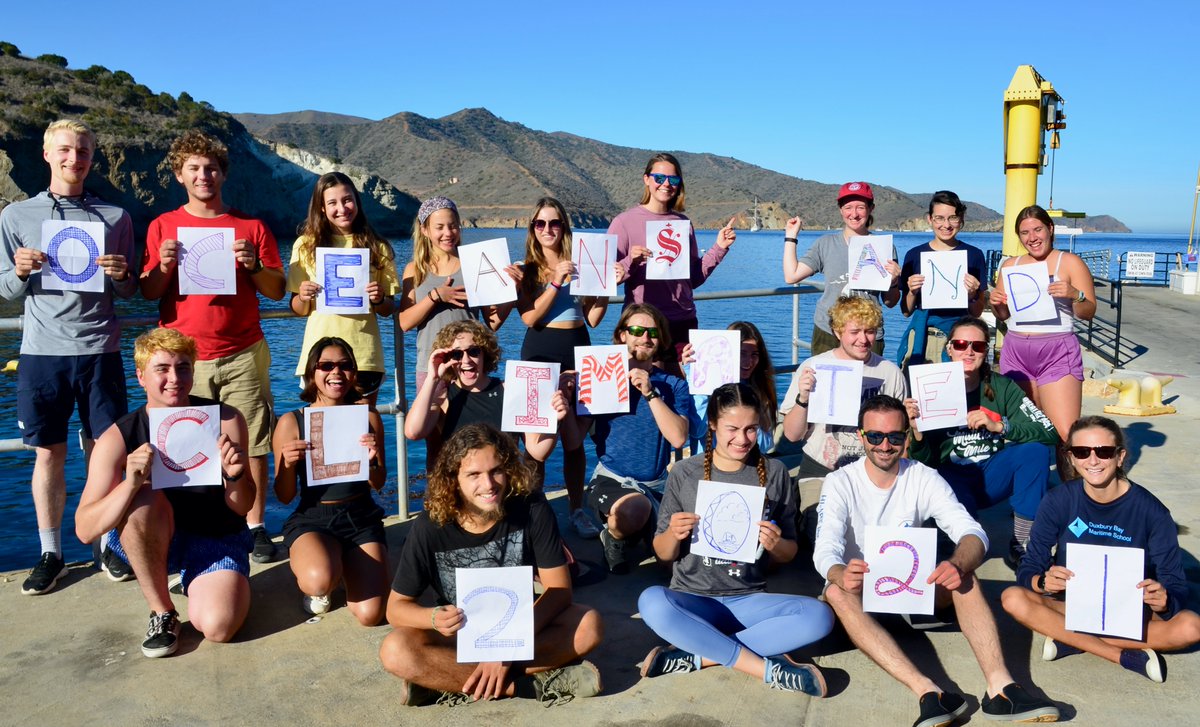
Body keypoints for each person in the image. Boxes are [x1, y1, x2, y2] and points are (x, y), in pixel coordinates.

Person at [814, 395, 1060, 725]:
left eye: (895, 437)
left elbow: (972, 533)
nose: (885, 445)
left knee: (963, 574)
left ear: (906, 436)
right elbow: (825, 547)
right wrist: (841, 572)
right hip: (861, 594)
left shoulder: (923, 476)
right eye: (875, 436)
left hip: (912, 591)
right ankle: (929, 692)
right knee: (833, 590)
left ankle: (1001, 689)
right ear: (861, 436)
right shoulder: (841, 482)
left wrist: (958, 563)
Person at [0, 119, 138, 594]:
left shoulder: (116, 218)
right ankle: (51, 551)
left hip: (102, 350)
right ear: (46, 154)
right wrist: (18, 272)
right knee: (48, 453)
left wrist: (122, 275)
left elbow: (130, 287)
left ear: (92, 158)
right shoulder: (16, 216)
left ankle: (106, 544)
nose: (73, 159)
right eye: (65, 150)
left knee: (107, 453)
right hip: (42, 352)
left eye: (82, 152)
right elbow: (4, 288)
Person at [379, 423, 604, 706]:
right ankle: (525, 685)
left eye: (496, 470)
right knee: (395, 650)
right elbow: (395, 609)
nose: (489, 485)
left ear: (509, 469)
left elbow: (559, 590)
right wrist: (434, 618)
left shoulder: (532, 509)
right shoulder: (430, 526)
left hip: (521, 624)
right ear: (453, 479)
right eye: (474, 474)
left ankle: (441, 681)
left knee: (589, 625)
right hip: (461, 633)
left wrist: (505, 649)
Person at [140, 130, 286, 565]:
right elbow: (149, 292)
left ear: (223, 173)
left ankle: (255, 526)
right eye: (194, 169)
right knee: (181, 445)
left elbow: (277, 290)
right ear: (179, 175)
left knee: (254, 443)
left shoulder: (251, 227)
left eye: (211, 168)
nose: (204, 176)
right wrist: (164, 266)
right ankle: (184, 527)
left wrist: (253, 266)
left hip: (243, 351)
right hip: (184, 359)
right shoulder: (163, 226)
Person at [637, 383, 833, 695]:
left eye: (752, 429)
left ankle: (699, 654)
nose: (742, 439)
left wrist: (776, 543)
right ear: (712, 424)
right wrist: (674, 534)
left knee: (819, 616)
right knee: (652, 601)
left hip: (749, 600)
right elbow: (663, 553)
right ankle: (767, 668)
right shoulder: (685, 472)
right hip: (693, 600)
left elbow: (788, 553)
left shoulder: (775, 471)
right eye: (732, 428)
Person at [75, 329, 255, 658]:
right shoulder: (117, 436)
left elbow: (242, 508)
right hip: (153, 532)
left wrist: (236, 475)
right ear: (141, 376)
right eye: (162, 369)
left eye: (183, 367)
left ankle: (204, 581)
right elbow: (85, 529)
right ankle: (162, 612)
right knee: (142, 497)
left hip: (214, 535)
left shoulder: (225, 419)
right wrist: (129, 482)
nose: (174, 378)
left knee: (219, 627)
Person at [1002, 416, 1200, 684]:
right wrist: (1041, 581)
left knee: (1191, 626)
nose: (1092, 461)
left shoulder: (1152, 512)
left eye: (1104, 452)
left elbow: (1175, 584)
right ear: (1070, 458)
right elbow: (1030, 566)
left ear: (1120, 457)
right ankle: (1121, 654)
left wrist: (1164, 600)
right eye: (1082, 452)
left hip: (1130, 611)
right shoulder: (1058, 501)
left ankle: (1070, 639)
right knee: (1012, 598)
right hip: (1071, 605)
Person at [905, 316, 1059, 571]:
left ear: (986, 351)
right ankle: (955, 538)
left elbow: (1049, 432)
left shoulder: (1002, 387)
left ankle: (1022, 542)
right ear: (949, 348)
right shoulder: (928, 385)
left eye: (977, 346)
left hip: (991, 474)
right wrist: (917, 432)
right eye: (961, 344)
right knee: (947, 489)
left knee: (1035, 452)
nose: (969, 351)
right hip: (950, 476)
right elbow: (923, 463)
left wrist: (1001, 426)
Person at [564, 303, 690, 574]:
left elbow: (678, 438)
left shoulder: (673, 385)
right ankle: (615, 535)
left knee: (671, 563)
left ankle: (638, 530)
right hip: (612, 479)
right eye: (636, 330)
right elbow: (574, 443)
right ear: (622, 335)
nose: (645, 338)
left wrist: (650, 393)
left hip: (656, 483)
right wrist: (565, 410)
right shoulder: (602, 378)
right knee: (634, 509)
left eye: (652, 333)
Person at [272, 337, 389, 625]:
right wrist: (287, 465)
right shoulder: (292, 422)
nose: (336, 373)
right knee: (319, 581)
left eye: (345, 365)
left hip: (360, 516)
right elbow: (285, 496)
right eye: (326, 366)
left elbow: (379, 483)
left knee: (371, 615)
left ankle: (342, 564)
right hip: (314, 517)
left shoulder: (369, 417)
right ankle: (323, 571)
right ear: (312, 372)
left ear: (354, 372)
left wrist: (372, 460)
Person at [516, 197, 609, 538]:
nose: (547, 230)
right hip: (539, 354)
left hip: (578, 351)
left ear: (565, 227)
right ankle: (531, 509)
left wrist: (606, 288)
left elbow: (594, 319)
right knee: (537, 442)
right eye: (540, 224)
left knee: (575, 441)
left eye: (554, 223)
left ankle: (576, 509)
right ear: (532, 229)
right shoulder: (525, 270)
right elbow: (529, 317)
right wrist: (555, 282)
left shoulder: (583, 263)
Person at [780, 297, 906, 542]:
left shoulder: (889, 372)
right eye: (854, 332)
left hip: (873, 470)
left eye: (870, 331)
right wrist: (803, 398)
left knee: (878, 536)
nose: (863, 339)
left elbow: (902, 439)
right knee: (821, 532)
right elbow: (792, 435)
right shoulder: (814, 366)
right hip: (821, 468)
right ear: (837, 332)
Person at [608, 152, 736, 369]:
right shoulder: (623, 223)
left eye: (673, 179)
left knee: (681, 393)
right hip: (643, 326)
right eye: (659, 178)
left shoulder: (683, 223)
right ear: (646, 179)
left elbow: (693, 278)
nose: (666, 184)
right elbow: (605, 280)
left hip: (683, 322)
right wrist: (631, 261)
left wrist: (719, 248)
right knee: (644, 391)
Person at [287, 172, 399, 406]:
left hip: (364, 355)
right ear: (322, 207)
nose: (342, 208)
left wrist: (378, 298)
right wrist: (304, 295)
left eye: (347, 200)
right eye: (332, 203)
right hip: (319, 357)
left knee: (364, 429)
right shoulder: (305, 246)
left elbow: (388, 309)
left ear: (357, 201)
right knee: (323, 429)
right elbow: (297, 308)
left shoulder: (378, 247)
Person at [989, 204, 1096, 443]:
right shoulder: (1010, 266)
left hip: (1056, 351)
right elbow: (1003, 315)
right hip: (1015, 351)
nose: (1032, 238)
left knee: (1064, 434)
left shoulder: (1069, 263)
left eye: (1037, 230)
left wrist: (1074, 295)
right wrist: (996, 302)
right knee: (1021, 431)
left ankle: (1070, 480)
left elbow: (1087, 312)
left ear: (1049, 228)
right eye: (1025, 233)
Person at [404, 319, 564, 468]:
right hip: (462, 489)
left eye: (473, 351)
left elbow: (538, 452)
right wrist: (432, 378)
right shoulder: (443, 400)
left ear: (485, 353)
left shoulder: (510, 391)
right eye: (457, 354)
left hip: (506, 485)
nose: (466, 360)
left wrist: (554, 420)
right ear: (448, 360)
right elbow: (413, 432)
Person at [398, 195, 514, 393]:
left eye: (453, 226)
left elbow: (493, 322)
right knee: (434, 424)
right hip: (432, 367)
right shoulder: (414, 270)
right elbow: (405, 322)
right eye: (439, 227)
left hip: (469, 366)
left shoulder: (475, 264)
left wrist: (513, 290)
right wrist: (435, 296)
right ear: (425, 230)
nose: (448, 233)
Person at [781, 181, 901, 356]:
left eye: (860, 207)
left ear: (871, 208)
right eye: (848, 207)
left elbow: (890, 302)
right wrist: (791, 237)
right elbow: (791, 276)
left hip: (867, 333)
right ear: (840, 210)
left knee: (867, 383)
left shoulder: (885, 248)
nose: (854, 213)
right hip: (828, 330)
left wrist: (894, 282)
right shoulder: (825, 244)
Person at [896, 191, 988, 368]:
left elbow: (976, 312)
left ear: (961, 219)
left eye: (952, 218)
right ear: (930, 219)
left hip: (959, 341)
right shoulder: (914, 255)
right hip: (923, 338)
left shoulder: (974, 255)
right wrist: (912, 292)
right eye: (939, 218)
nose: (946, 225)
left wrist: (973, 294)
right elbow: (906, 311)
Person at [681, 320, 777, 453]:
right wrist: (696, 376)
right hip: (708, 465)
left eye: (754, 354)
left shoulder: (758, 388)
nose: (748, 362)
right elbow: (697, 430)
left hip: (746, 465)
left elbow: (765, 444)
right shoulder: (706, 388)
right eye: (742, 353)